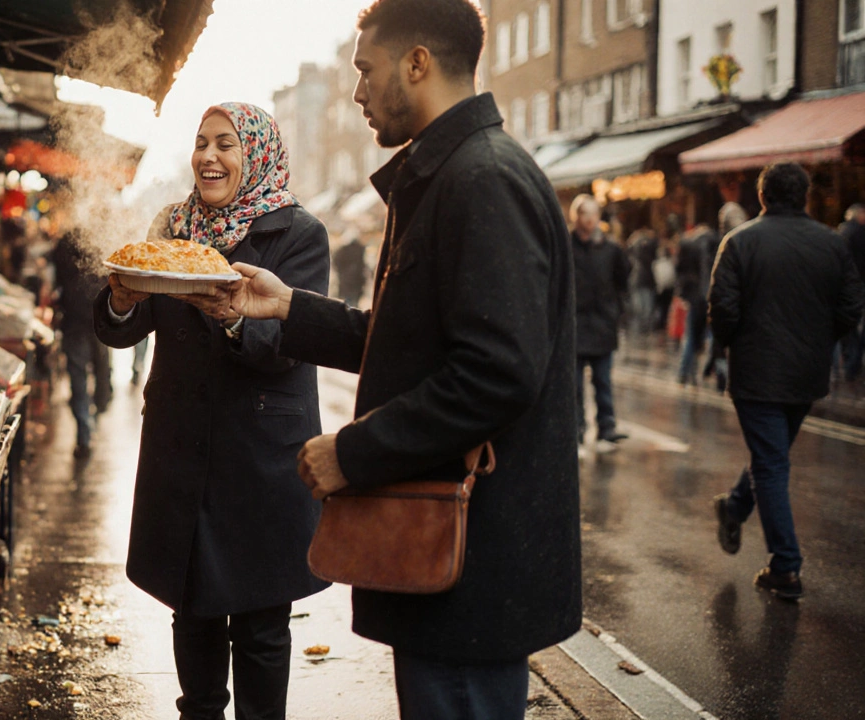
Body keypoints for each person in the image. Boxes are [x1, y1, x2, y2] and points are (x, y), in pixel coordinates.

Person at [216, 1, 582, 716]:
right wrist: (290, 305)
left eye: (364, 69)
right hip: (446, 552)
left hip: (470, 563)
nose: (355, 91)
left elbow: (496, 373)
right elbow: (411, 343)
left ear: (416, 62)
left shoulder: (483, 180)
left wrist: (354, 452)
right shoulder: (453, 174)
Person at [94, 102, 331, 720]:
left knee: (259, 622)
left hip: (260, 458)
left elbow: (292, 345)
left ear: (256, 154)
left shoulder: (298, 234)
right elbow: (126, 327)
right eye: (201, 143)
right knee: (192, 606)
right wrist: (121, 299)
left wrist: (232, 323)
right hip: (181, 447)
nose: (208, 156)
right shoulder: (172, 227)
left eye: (225, 144)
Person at [710, 162, 864, 600]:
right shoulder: (831, 244)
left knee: (770, 460)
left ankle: (785, 565)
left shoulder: (739, 242)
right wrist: (820, 340)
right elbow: (852, 306)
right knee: (772, 457)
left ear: (762, 197)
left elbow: (721, 307)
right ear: (805, 198)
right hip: (806, 373)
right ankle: (735, 509)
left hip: (757, 370)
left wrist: (733, 344)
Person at [571, 194, 630, 452]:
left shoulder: (611, 248)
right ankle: (576, 430)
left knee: (603, 381)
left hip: (602, 324)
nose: (590, 219)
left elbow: (623, 280)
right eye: (585, 213)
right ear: (577, 216)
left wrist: (614, 311)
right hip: (574, 325)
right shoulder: (566, 246)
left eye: (594, 213)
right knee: (573, 386)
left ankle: (606, 428)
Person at [52, 231, 111, 458]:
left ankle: (85, 431)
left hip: (76, 319)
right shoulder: (102, 237)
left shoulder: (65, 241)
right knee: (100, 368)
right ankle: (96, 412)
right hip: (99, 317)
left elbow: (58, 278)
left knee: (78, 375)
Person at [703, 202, 749, 391]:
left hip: (728, 301)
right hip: (742, 303)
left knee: (719, 340)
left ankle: (720, 372)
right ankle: (720, 372)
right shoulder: (748, 241)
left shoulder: (723, 243)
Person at [675, 224, 716, 385]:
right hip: (710, 296)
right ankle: (708, 371)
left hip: (694, 297)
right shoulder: (716, 243)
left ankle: (686, 372)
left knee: (691, 335)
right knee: (710, 336)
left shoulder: (689, 244)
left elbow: (681, 271)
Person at [837, 203, 865, 382]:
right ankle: (853, 364)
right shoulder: (860, 233)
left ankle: (849, 364)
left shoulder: (840, 233)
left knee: (849, 326)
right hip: (860, 282)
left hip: (844, 285)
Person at [332, 228, 367, 307]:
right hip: (356, 280)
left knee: (346, 302)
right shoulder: (360, 249)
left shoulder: (342, 250)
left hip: (347, 280)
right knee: (353, 302)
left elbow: (336, 262)